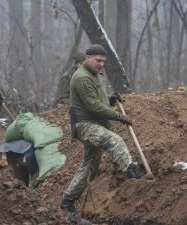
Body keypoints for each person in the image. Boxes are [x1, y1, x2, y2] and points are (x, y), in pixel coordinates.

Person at [60, 44, 142, 214]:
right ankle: (132, 172)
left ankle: (67, 203)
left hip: (95, 124)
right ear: (87, 58)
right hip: (84, 125)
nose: (101, 64)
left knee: (89, 167)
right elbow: (93, 107)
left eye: (104, 61)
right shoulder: (82, 77)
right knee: (114, 140)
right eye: (98, 60)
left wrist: (111, 100)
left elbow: (99, 101)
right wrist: (118, 116)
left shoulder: (94, 75)